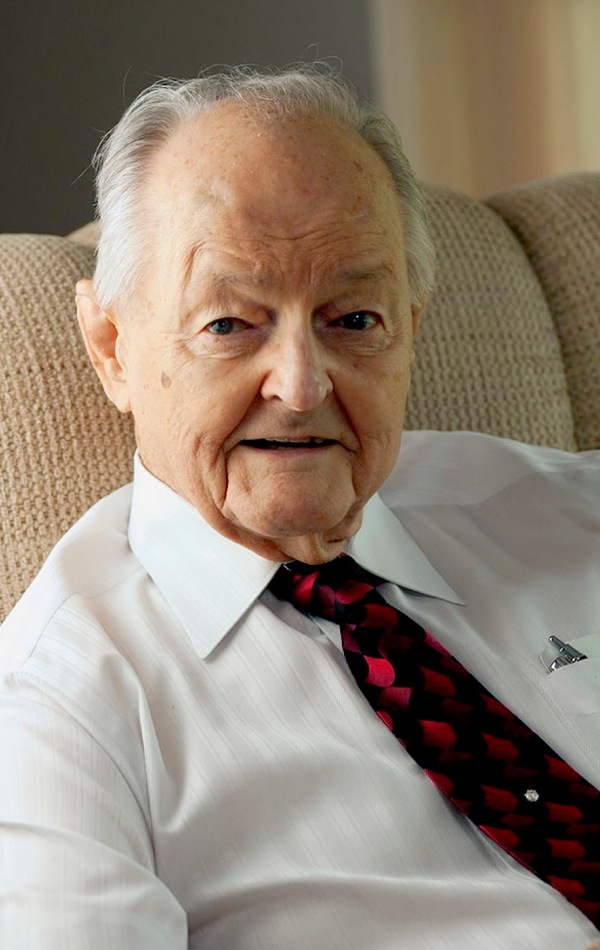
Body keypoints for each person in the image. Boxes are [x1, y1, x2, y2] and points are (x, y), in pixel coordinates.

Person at [0, 65, 598, 950]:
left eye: (353, 320)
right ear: (111, 347)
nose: (301, 384)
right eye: (229, 324)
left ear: (411, 328)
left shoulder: (556, 507)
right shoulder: (59, 706)